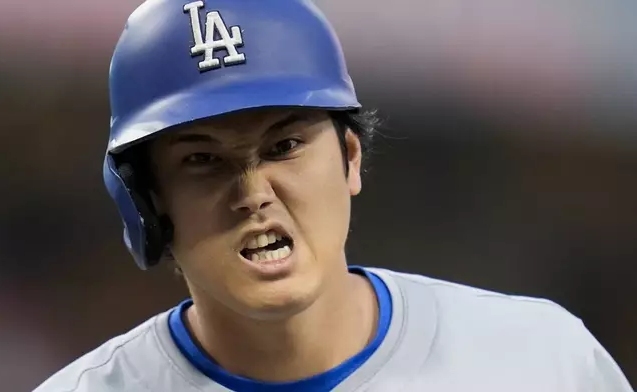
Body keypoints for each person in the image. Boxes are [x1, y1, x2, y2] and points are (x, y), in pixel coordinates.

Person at [35, 0, 634, 391]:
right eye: (202, 161)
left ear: (350, 158)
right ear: (147, 201)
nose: (253, 193)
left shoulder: (538, 361)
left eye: (284, 145)